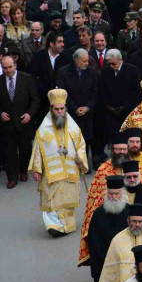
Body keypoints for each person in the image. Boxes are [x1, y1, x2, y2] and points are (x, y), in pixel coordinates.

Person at [78, 132, 142, 267]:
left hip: (133, 219)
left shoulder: (135, 168)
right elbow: (95, 198)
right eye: (118, 149)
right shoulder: (103, 170)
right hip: (109, 220)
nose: (121, 152)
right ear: (113, 150)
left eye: (124, 149)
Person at [28, 88, 89, 236]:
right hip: (51, 172)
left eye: (62, 109)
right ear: (51, 109)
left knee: (67, 199)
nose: (60, 112)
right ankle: (54, 226)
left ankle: (67, 226)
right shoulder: (43, 129)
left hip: (70, 170)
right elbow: (37, 149)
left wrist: (81, 160)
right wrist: (37, 169)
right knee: (51, 199)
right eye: (57, 109)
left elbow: (81, 145)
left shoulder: (74, 129)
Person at [0, 55, 39, 189]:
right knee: (9, 152)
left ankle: (23, 170)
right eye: (5, 68)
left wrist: (30, 114)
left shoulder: (27, 79)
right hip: (7, 124)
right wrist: (0, 113)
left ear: (15, 65)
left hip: (24, 122)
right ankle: (12, 177)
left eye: (10, 67)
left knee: (26, 149)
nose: (7, 70)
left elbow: (35, 99)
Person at [87, 175, 130, 282]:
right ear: (107, 194)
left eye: (117, 194)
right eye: (111, 194)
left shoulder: (130, 211)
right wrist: (108, 259)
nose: (114, 197)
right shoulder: (98, 214)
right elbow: (94, 242)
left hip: (126, 259)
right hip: (104, 261)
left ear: (122, 194)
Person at [102, 49, 141, 134]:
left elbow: (136, 92)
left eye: (113, 64)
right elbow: (103, 91)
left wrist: (124, 107)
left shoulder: (132, 70)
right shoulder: (106, 71)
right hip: (112, 114)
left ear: (120, 59)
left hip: (128, 112)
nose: (111, 66)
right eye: (109, 64)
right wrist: (109, 106)